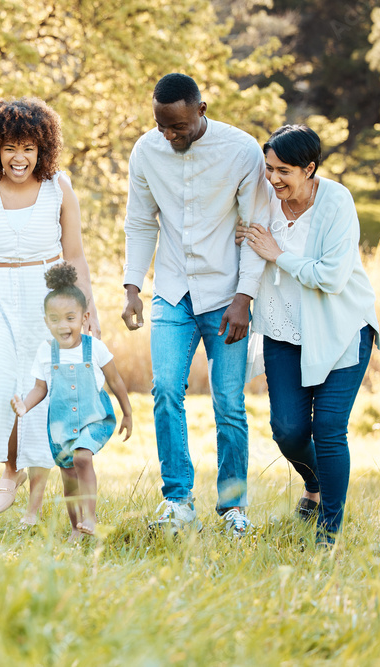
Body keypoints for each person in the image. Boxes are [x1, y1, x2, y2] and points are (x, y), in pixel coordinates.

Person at [121, 73, 269, 537]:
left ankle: (232, 509)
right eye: (162, 125)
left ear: (201, 109)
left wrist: (245, 298)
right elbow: (141, 222)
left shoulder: (242, 150)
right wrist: (131, 287)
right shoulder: (147, 151)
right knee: (165, 390)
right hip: (172, 290)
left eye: (178, 127)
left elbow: (255, 227)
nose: (169, 135)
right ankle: (178, 499)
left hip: (226, 296)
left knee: (228, 402)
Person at [0, 97, 100, 523]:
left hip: (48, 295)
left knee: (41, 392)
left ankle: (35, 489)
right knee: (0, 391)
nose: (20, 158)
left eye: (29, 148)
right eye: (11, 148)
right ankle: (9, 469)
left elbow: (75, 256)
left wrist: (88, 311)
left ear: (43, 149)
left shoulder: (59, 188)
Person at [242, 124, 379, 548]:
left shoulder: (336, 201)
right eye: (269, 169)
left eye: (284, 170)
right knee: (287, 430)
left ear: (310, 168)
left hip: (341, 330)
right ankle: (315, 485)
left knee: (330, 429)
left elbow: (333, 277)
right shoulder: (266, 198)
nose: (274, 179)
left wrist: (278, 256)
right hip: (283, 331)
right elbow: (247, 239)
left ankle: (329, 531)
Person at [11, 263, 134, 535]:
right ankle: (76, 530)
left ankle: (90, 516)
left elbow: (116, 382)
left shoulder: (95, 349)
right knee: (68, 479)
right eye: (54, 319)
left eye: (70, 317)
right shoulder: (46, 353)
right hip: (61, 426)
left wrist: (127, 413)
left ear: (84, 317)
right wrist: (24, 405)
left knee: (82, 458)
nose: (63, 325)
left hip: (94, 419)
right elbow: (39, 389)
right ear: (46, 321)